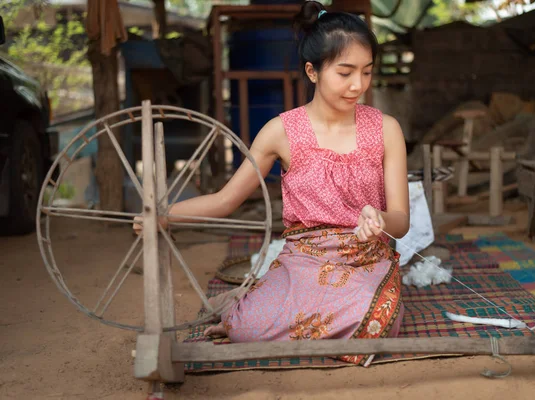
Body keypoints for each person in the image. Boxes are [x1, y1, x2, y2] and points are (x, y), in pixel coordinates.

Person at [134, 0, 409, 366]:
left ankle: (282, 314)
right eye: (345, 73)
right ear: (312, 71)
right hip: (303, 263)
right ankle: (241, 308)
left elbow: (402, 223)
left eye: (367, 72)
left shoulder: (386, 129)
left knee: (375, 320)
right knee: (247, 329)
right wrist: (163, 215)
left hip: (365, 263)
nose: (357, 85)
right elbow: (224, 200)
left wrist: (380, 218)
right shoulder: (281, 132)